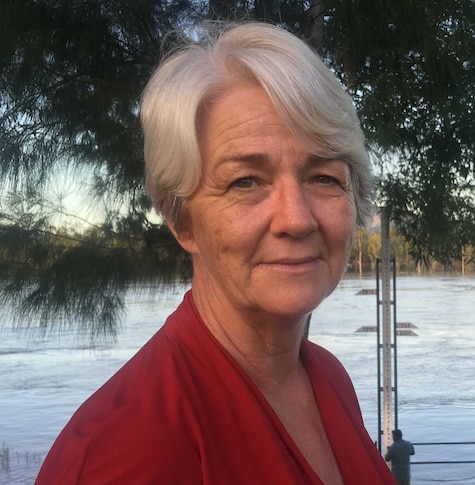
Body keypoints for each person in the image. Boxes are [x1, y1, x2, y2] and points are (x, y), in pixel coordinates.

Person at [34, 22, 395, 485]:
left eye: (323, 177)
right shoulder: (127, 450)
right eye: (246, 181)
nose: (297, 218)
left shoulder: (327, 379)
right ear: (182, 221)